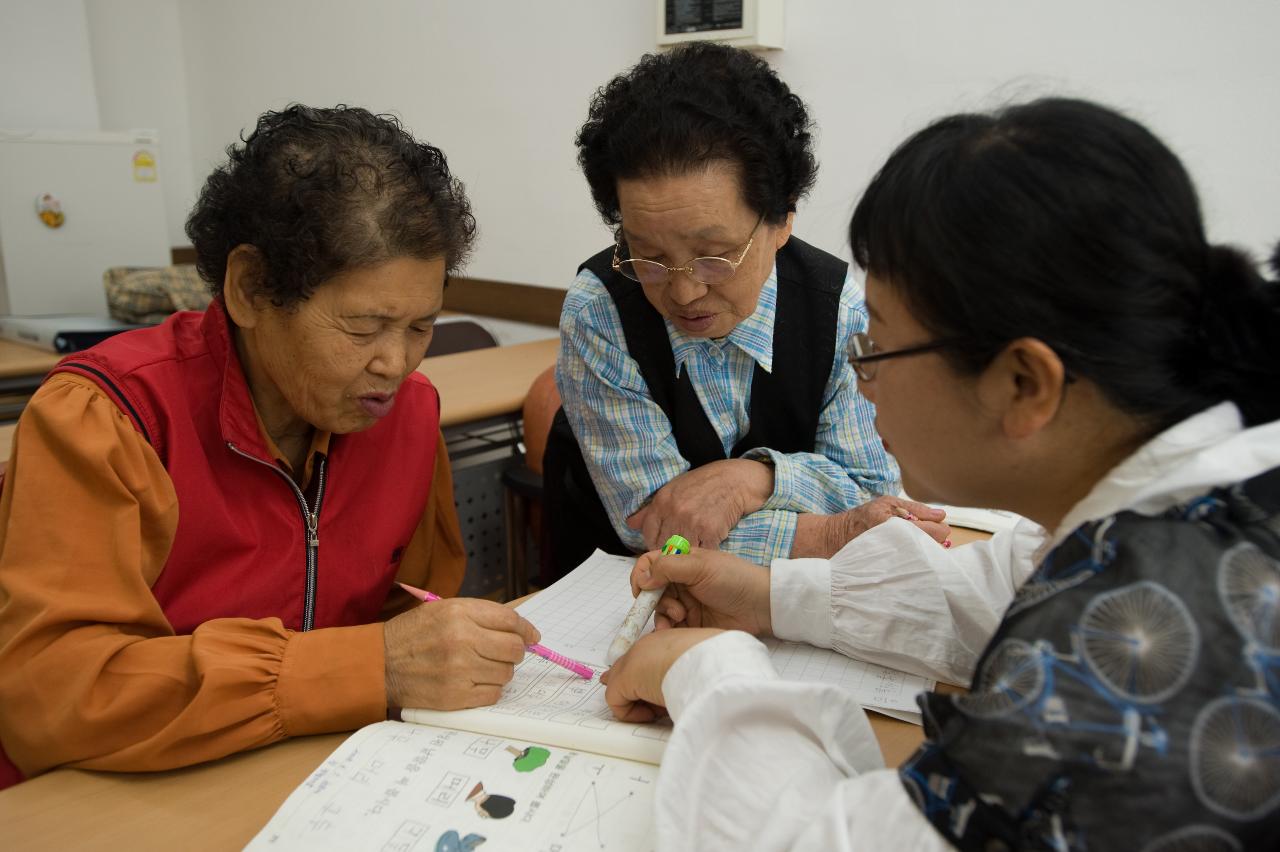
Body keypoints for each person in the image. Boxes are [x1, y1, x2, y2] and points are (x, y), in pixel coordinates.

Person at [601, 98, 1280, 850]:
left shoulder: (1134, 656)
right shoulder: (1188, 507)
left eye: (880, 348)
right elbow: (1001, 587)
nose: (862, 380)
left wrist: (709, 673)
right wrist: (765, 595)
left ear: (1024, 384)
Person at [0, 105, 539, 787]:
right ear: (251, 289)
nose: (396, 364)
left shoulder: (406, 416)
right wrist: (364, 668)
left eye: (422, 326)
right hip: (123, 794)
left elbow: (414, 612)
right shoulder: (105, 419)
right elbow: (54, 696)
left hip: (318, 781)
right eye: (364, 326)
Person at [547, 43, 946, 578]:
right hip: (620, 592)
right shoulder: (600, 312)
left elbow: (871, 487)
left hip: (790, 598)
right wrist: (833, 532)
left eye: (714, 257)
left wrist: (754, 479)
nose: (684, 293)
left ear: (782, 220)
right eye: (651, 257)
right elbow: (653, 530)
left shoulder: (837, 307)